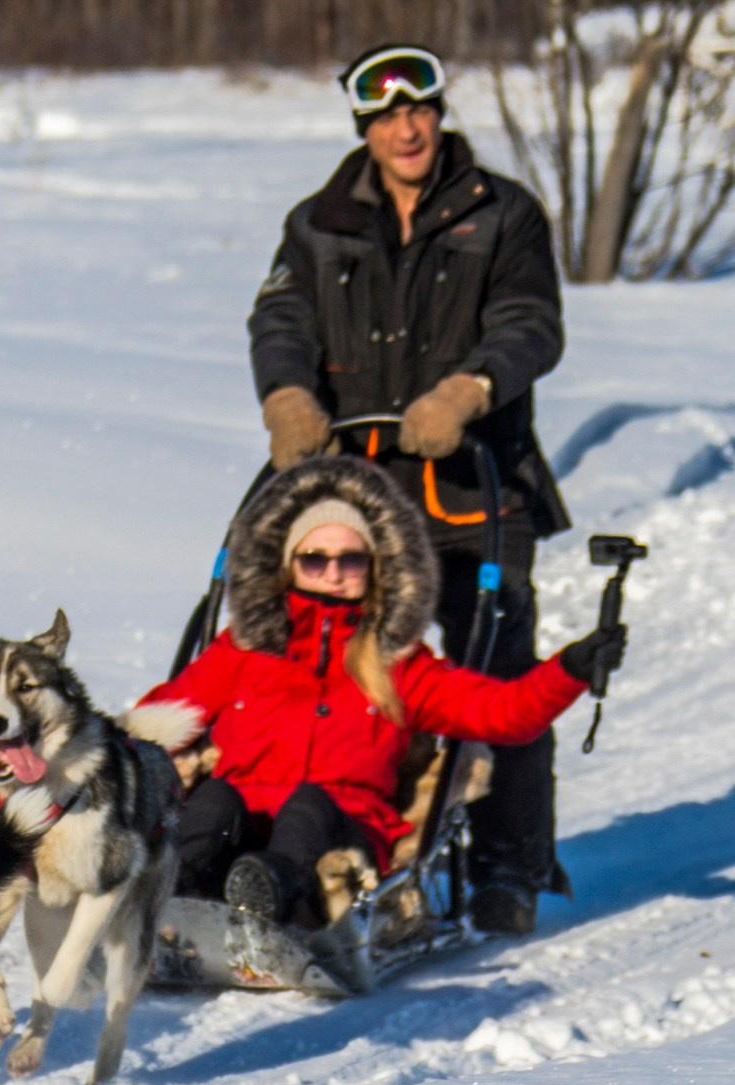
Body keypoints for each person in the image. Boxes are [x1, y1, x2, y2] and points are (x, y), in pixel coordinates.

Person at [248, 43, 570, 933]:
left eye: (419, 109)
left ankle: (510, 865)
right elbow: (281, 316)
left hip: (477, 486)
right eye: (387, 114)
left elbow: (530, 324)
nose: (407, 127)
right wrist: (286, 396)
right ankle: (305, 842)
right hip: (358, 493)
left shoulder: (502, 214)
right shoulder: (318, 222)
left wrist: (468, 390)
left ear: (438, 113)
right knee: (324, 672)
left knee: (495, 671)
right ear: (365, 126)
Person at [137, 458, 623, 926]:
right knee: (214, 798)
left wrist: (571, 670)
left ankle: (280, 899)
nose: (332, 574)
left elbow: (502, 713)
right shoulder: (241, 653)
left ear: (375, 567)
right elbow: (158, 724)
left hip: (341, 835)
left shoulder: (398, 665)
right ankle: (177, 897)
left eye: (350, 560)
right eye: (314, 559)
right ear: (287, 566)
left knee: (308, 807)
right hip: (242, 825)